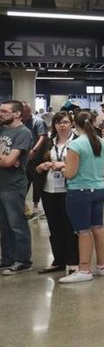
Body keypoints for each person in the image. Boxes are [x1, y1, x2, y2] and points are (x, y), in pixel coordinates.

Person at [57, 111, 104, 283]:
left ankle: (84, 268)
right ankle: (102, 266)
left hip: (80, 191)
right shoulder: (102, 142)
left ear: (74, 124)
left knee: (83, 230)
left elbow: (71, 173)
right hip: (99, 188)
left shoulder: (76, 145)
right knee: (98, 227)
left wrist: (60, 167)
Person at [36, 112, 79, 275]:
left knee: (69, 226)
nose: (62, 125)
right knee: (54, 226)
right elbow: (36, 162)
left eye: (66, 122)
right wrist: (41, 167)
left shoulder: (77, 142)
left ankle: (72, 260)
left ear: (72, 124)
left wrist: (64, 164)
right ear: (53, 125)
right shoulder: (48, 142)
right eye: (58, 122)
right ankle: (58, 259)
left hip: (69, 189)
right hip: (49, 188)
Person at [0, 101, 34, 275]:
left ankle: (22, 259)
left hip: (13, 185)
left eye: (5, 111)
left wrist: (8, 160)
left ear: (17, 114)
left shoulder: (23, 133)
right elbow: (6, 160)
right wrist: (6, 159)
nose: (1, 114)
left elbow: (9, 161)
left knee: (16, 223)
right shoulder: (3, 130)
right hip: (2, 183)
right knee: (4, 224)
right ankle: (7, 257)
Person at [23, 102, 48, 220]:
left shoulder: (37, 122)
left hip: (37, 158)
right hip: (24, 159)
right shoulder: (20, 122)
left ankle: (36, 207)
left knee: (38, 183)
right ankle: (24, 207)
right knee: (24, 183)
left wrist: (34, 149)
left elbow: (42, 136)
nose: (25, 113)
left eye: (27, 110)